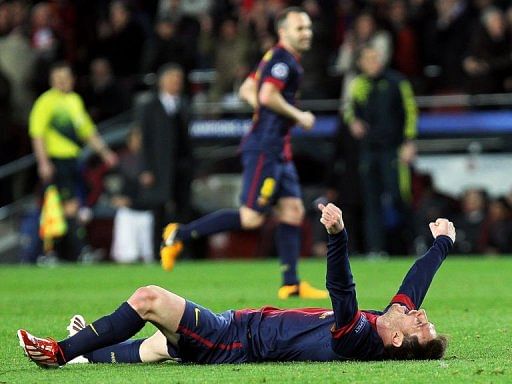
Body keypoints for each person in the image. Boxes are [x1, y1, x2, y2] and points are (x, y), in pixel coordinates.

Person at [17, 202, 454, 368]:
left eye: (420, 324)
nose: (420, 312)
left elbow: (342, 292)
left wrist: (337, 237)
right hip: (236, 330)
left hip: (232, 340)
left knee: (148, 298)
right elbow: (415, 284)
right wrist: (441, 244)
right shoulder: (388, 324)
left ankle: (60, 353)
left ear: (396, 340)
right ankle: (86, 354)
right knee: (157, 347)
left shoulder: (358, 337)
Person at [160, 7, 325, 300]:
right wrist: (299, 116)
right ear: (283, 31)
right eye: (300, 28)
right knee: (251, 219)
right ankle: (178, 234)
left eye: (308, 27)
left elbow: (248, 89)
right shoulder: (283, 62)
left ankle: (291, 283)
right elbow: (265, 95)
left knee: (293, 211)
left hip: (279, 150)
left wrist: (264, 107)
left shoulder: (273, 58)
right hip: (265, 148)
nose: (307, 33)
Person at [29, 61, 117, 261]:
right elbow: (37, 134)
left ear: (72, 80)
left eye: (66, 78)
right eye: (58, 78)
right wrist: (43, 162)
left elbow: (87, 131)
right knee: (58, 207)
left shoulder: (74, 101)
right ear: (52, 81)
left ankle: (62, 252)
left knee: (71, 207)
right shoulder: (46, 102)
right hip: (55, 161)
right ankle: (60, 252)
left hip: (73, 160)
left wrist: (105, 153)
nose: (62, 82)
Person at [344, 46, 418, 256]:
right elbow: (349, 109)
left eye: (376, 58)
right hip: (369, 150)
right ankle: (376, 249)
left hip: (393, 149)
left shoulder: (397, 82)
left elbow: (410, 111)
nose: (373, 62)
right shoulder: (358, 85)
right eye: (368, 59)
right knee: (371, 200)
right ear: (360, 63)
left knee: (399, 197)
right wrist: (353, 122)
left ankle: (412, 244)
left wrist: (409, 142)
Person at [138, 63, 190, 257]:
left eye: (179, 79)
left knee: (183, 211)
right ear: (162, 81)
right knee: (158, 210)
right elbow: (144, 141)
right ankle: (156, 251)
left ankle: (181, 252)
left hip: (181, 167)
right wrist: (145, 169)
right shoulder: (149, 106)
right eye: (172, 78)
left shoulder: (184, 104)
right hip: (159, 168)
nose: (176, 82)